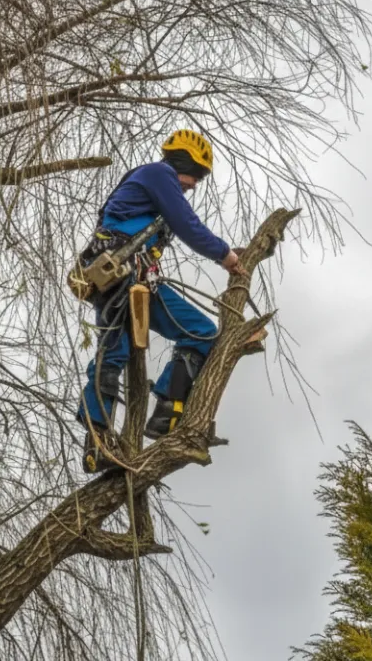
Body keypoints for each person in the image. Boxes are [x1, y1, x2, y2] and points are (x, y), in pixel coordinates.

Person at [76, 129, 246, 473]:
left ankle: (166, 414)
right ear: (182, 162)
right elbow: (188, 224)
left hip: (135, 278)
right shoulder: (158, 174)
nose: (194, 184)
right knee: (115, 352)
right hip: (117, 273)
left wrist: (228, 251)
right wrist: (225, 255)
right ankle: (98, 442)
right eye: (196, 174)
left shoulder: (154, 188)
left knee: (199, 331)